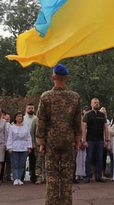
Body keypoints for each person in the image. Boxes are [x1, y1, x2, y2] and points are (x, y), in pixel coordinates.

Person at [37, 63, 82, 205]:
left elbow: (41, 121)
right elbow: (77, 122)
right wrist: (77, 141)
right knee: (67, 175)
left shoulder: (46, 97)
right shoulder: (74, 97)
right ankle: (66, 202)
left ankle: (52, 202)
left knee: (51, 176)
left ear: (53, 77)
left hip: (51, 141)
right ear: (66, 78)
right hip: (68, 140)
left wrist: (41, 143)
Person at [82, 98, 108, 183]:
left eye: (98, 102)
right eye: (95, 102)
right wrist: (84, 140)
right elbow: (84, 128)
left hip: (100, 140)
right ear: (91, 104)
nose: (96, 104)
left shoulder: (102, 115)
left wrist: (106, 140)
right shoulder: (87, 115)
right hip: (90, 140)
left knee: (99, 158)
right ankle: (88, 176)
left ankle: (99, 176)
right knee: (89, 158)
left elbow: (106, 128)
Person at [7, 111, 32, 186]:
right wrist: (10, 148)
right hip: (15, 147)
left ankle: (19, 178)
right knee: (15, 164)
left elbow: (28, 137)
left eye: (21, 116)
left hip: (23, 147)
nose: (19, 118)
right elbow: (10, 138)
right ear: (15, 118)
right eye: (18, 116)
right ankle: (15, 178)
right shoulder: (12, 127)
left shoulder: (26, 127)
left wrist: (29, 147)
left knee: (22, 164)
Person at [23, 103, 38, 183]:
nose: (31, 109)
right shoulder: (22, 119)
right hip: (23, 142)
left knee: (33, 160)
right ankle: (21, 176)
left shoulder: (36, 119)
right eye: (29, 108)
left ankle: (33, 176)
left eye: (32, 108)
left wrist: (33, 143)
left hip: (33, 143)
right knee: (23, 160)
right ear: (26, 109)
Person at [30, 115, 46, 184]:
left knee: (47, 162)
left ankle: (46, 177)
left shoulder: (50, 119)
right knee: (38, 162)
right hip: (38, 144)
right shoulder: (35, 120)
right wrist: (33, 143)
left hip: (48, 144)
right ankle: (38, 177)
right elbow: (32, 132)